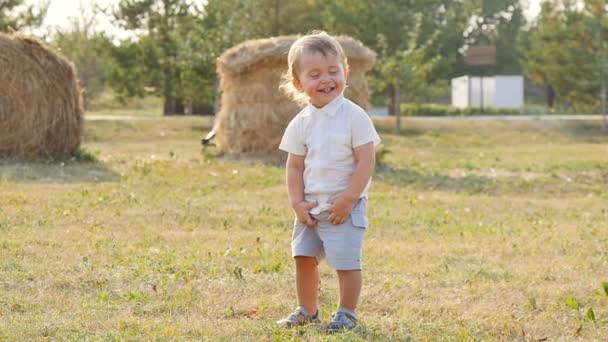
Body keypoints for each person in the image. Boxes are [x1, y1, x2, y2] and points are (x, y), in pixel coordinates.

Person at [276, 31, 381, 333]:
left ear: (345, 72)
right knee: (303, 258)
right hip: (311, 207)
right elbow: (294, 167)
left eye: (333, 71)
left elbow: (366, 161)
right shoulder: (301, 123)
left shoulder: (354, 117)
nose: (326, 79)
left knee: (346, 262)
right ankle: (307, 311)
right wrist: (297, 203)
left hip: (344, 205)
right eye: (315, 74)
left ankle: (347, 313)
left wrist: (349, 198)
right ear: (298, 84)